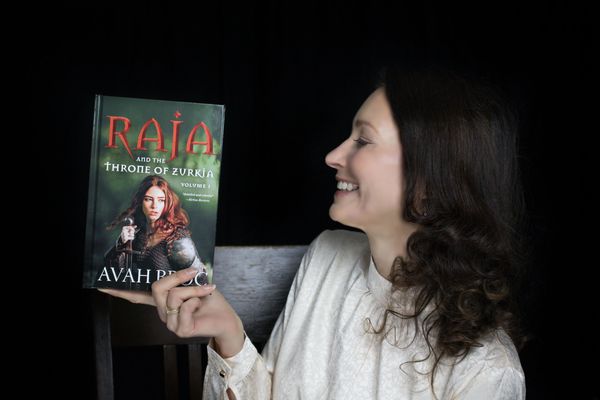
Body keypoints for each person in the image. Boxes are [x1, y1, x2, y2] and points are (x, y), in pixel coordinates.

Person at [100, 67, 527, 399]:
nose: (333, 155)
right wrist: (229, 336)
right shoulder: (327, 255)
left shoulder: (488, 373)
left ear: (429, 181)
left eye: (364, 141)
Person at [101, 174, 208, 289]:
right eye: (148, 199)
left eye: (161, 200)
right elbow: (110, 271)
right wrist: (122, 243)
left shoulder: (177, 237)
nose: (154, 206)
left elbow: (200, 280)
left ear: (167, 203)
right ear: (140, 202)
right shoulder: (137, 233)